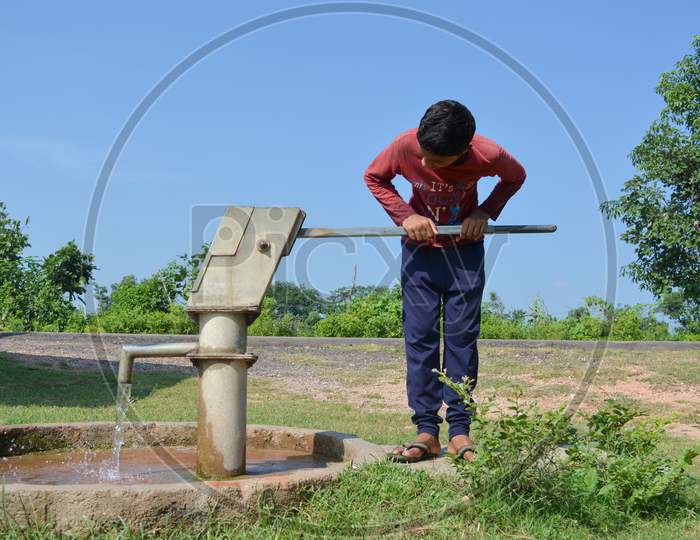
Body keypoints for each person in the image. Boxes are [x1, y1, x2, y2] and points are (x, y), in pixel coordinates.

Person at [364, 99, 526, 462]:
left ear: (464, 152)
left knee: (461, 340)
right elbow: (374, 177)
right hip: (420, 253)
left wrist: (485, 211)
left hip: (464, 254)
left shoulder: (488, 154)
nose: (423, 165)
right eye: (422, 156)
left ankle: (459, 432)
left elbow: (516, 177)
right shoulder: (406, 145)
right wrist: (405, 216)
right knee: (419, 337)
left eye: (435, 162)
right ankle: (426, 430)